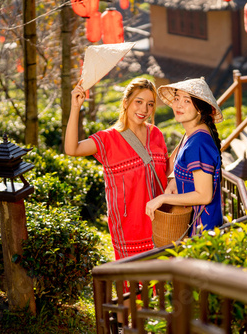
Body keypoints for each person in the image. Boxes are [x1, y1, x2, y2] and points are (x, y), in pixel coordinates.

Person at [65, 77, 169, 261]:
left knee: (160, 282)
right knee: (133, 283)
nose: (144, 110)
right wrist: (75, 108)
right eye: (139, 102)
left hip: (160, 223)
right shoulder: (108, 139)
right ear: (126, 102)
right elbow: (72, 149)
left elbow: (165, 173)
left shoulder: (156, 134)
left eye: (150, 104)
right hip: (129, 228)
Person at [145, 77, 224, 236]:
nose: (179, 105)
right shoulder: (190, 135)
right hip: (192, 226)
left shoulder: (199, 142)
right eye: (176, 98)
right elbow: (186, 169)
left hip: (202, 234)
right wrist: (174, 182)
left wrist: (163, 198)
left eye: (187, 101)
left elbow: (205, 195)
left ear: (200, 108)